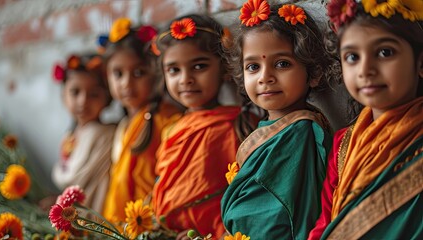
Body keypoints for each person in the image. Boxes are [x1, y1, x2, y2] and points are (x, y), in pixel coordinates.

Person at [220, 1, 336, 239]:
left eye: (282, 64)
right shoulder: (273, 129)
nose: (265, 77)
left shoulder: (300, 133)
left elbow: (272, 218)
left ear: (313, 73)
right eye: (253, 66)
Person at [308, 0, 423, 239]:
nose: (365, 69)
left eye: (384, 52)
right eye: (352, 57)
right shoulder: (344, 143)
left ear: (420, 62)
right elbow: (326, 222)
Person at [150, 14, 256, 239]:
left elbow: (241, 196)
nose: (185, 79)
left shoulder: (234, 127)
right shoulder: (172, 128)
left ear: (225, 67)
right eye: (174, 70)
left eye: (199, 66)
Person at [101, 18, 182, 223]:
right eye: (118, 74)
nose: (126, 83)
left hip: (150, 224)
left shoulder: (166, 119)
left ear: (156, 73)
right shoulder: (123, 125)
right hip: (122, 224)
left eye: (139, 73)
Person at [51, 53, 115, 213]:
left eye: (94, 94)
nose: (83, 101)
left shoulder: (105, 134)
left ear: (107, 98)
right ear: (63, 95)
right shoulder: (70, 136)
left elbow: (74, 180)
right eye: (75, 92)